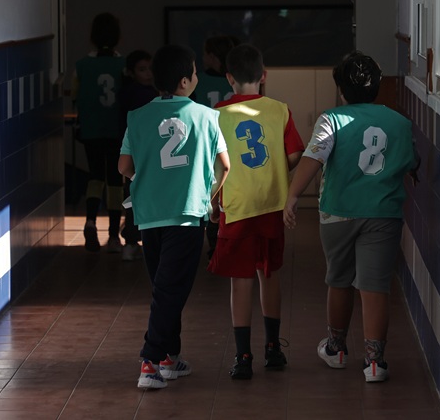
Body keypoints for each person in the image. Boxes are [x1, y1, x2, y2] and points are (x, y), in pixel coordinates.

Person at [283, 51, 419, 383]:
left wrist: (293, 195)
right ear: (377, 87)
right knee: (375, 287)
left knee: (339, 279)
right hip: (383, 214)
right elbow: (412, 164)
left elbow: (313, 159)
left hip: (337, 213)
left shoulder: (332, 119)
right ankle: (375, 362)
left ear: (342, 90)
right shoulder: (400, 123)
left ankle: (337, 348)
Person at [118, 44, 230, 390]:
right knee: (170, 289)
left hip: (149, 215)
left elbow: (124, 166)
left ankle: (170, 356)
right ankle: (150, 362)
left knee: (165, 287)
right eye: (195, 73)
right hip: (186, 214)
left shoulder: (136, 117)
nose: (197, 77)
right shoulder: (207, 117)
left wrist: (148, 183)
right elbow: (224, 165)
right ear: (184, 82)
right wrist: (209, 196)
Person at [207, 44, 304, 380]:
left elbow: (216, 168)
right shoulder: (280, 110)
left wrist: (214, 203)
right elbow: (295, 156)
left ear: (229, 78)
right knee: (270, 273)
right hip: (272, 206)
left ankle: (243, 354)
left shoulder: (217, 113)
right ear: (264, 76)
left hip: (237, 206)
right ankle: (274, 349)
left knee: (240, 280)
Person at [72, 12, 126, 253]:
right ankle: (114, 234)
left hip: (91, 129)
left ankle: (90, 221)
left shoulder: (82, 66)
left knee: (95, 176)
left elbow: (75, 97)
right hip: (117, 130)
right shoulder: (123, 65)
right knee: (115, 180)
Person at [193, 35, 240, 258]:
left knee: (211, 191)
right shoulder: (234, 81)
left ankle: (214, 243)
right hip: (233, 144)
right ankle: (225, 239)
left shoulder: (199, 80)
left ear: (211, 56)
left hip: (206, 145)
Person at [117, 49, 159, 261]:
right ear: (131, 72)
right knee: (136, 198)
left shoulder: (127, 93)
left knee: (133, 197)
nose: (148, 74)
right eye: (142, 70)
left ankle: (131, 241)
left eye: (150, 69)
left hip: (135, 154)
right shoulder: (146, 95)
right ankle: (133, 240)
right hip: (142, 154)